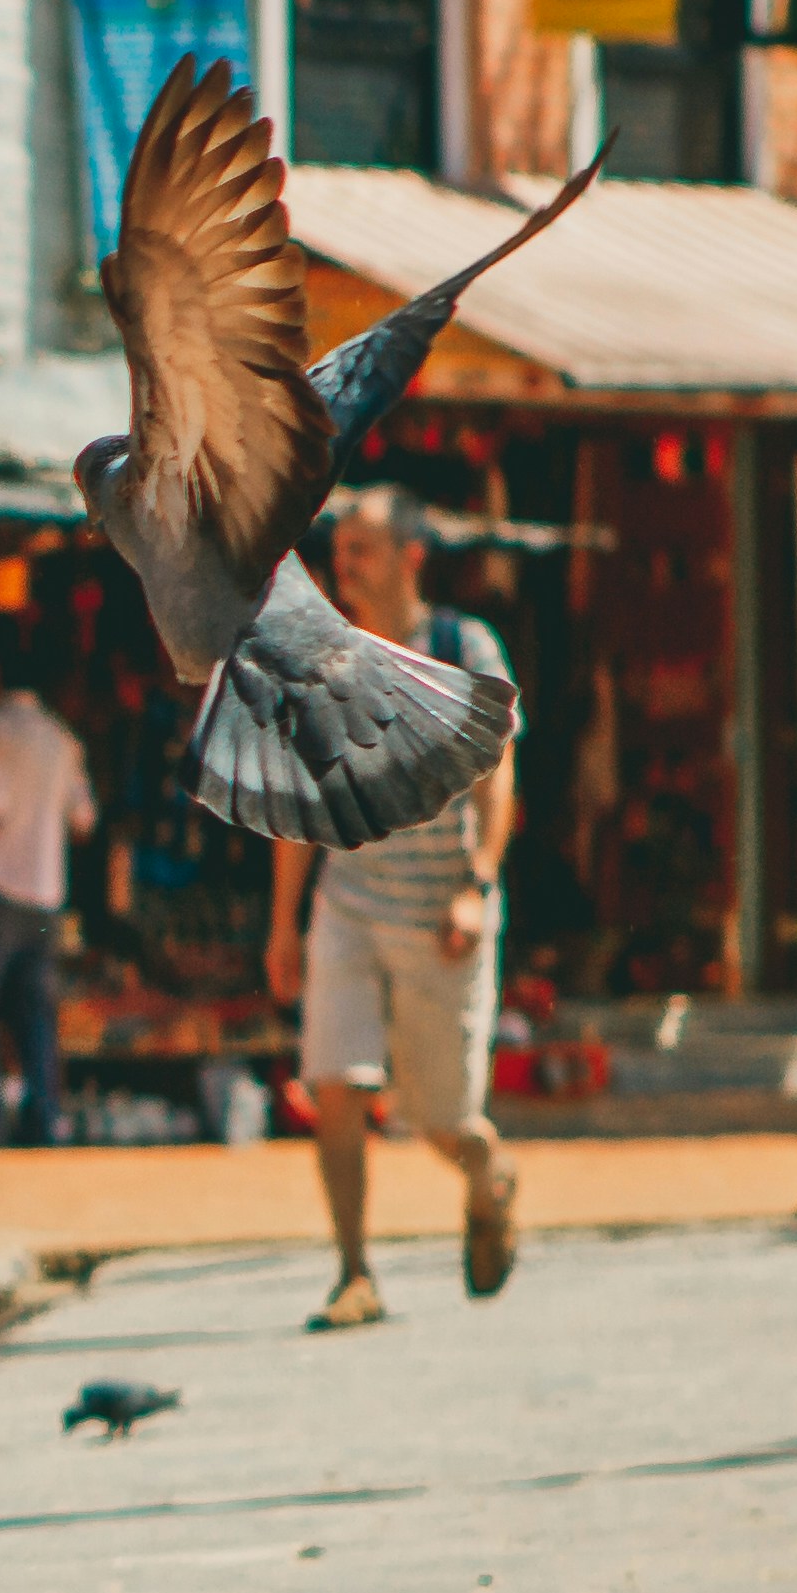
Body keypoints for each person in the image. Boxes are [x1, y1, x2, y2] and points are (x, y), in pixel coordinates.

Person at [265, 489, 521, 1328]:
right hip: (350, 903)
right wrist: (285, 925)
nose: (347, 565)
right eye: (341, 551)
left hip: (439, 916)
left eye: (365, 550)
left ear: (414, 557)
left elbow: (498, 783)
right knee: (334, 1086)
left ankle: (486, 1177)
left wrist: (477, 884)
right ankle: (354, 1274)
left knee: (442, 1124)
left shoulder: (460, 647)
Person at [0, 642, 96, 1148]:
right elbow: (84, 819)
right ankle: (45, 1119)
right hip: (45, 892)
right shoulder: (63, 740)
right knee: (38, 1009)